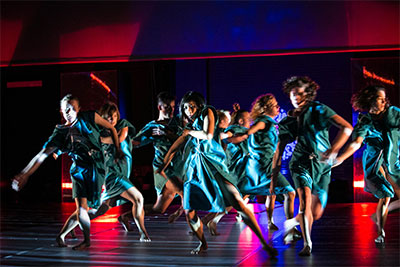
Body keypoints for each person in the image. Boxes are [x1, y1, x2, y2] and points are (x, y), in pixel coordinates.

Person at [159, 91, 277, 256]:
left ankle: (264, 243)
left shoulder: (207, 112)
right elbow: (175, 146)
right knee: (189, 212)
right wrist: (163, 165)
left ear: (199, 105)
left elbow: (207, 135)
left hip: (214, 168)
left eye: (191, 106)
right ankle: (203, 243)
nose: (188, 110)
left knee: (238, 202)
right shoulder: (189, 128)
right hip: (195, 172)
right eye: (185, 107)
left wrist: (190, 133)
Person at [12, 94, 122, 250]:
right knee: (81, 208)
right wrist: (25, 174)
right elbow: (41, 155)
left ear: (78, 109)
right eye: (65, 110)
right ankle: (86, 240)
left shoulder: (89, 117)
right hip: (78, 170)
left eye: (71, 109)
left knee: (90, 208)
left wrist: (117, 150)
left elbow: (111, 128)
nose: (68, 113)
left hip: (96, 168)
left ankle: (62, 235)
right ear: (61, 111)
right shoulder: (60, 133)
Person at [272, 76, 353, 256]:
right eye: (293, 94)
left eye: (300, 94)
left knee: (315, 213)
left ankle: (292, 223)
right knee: (304, 201)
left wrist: (334, 149)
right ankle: (307, 244)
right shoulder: (288, 121)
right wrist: (273, 177)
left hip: (323, 167)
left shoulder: (320, 110)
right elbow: (279, 149)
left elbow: (347, 128)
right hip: (300, 163)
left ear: (308, 95)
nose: (296, 98)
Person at [67, 101, 151, 241]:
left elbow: (121, 138)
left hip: (122, 174)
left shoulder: (123, 125)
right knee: (138, 198)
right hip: (114, 175)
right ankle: (143, 234)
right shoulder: (100, 133)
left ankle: (68, 228)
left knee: (98, 211)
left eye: (113, 116)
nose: (111, 120)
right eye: (108, 117)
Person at [333, 85, 400, 243]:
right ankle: (381, 233)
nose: (384, 101)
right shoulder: (365, 121)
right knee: (385, 196)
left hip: (393, 162)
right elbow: (356, 143)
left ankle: (377, 217)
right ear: (370, 100)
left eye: (384, 98)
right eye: (379, 98)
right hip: (376, 165)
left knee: (391, 195)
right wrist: (341, 158)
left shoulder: (394, 113)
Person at [232, 95, 296, 234]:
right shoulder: (264, 122)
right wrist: (246, 133)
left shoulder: (270, 123)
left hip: (262, 165)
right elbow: (252, 130)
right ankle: (290, 229)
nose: (278, 108)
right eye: (275, 105)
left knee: (269, 193)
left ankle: (270, 222)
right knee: (289, 193)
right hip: (263, 166)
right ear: (266, 108)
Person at [131, 92, 184, 223]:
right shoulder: (153, 126)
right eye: (167, 107)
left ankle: (126, 216)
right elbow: (136, 142)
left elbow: (184, 140)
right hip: (163, 168)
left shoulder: (178, 122)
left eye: (172, 107)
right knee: (184, 192)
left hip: (179, 167)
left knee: (159, 208)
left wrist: (167, 133)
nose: (171, 110)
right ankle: (194, 228)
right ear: (160, 107)